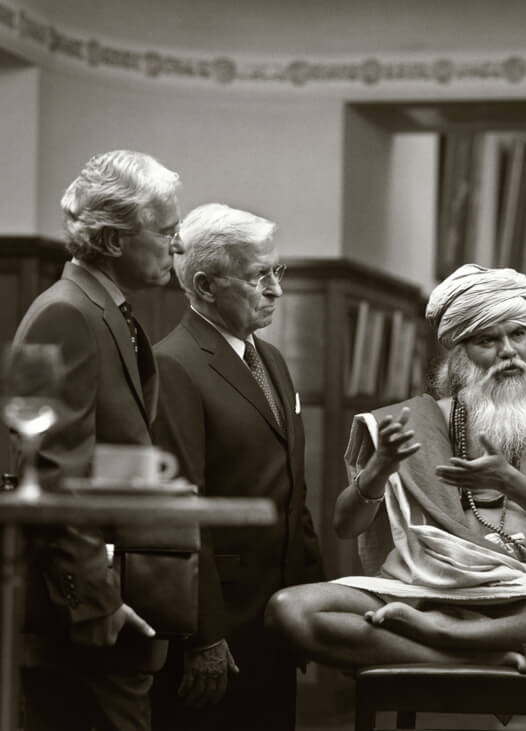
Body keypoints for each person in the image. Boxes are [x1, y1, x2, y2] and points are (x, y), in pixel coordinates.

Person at [265, 263, 526, 676]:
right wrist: (378, 470)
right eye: (487, 340)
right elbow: (345, 525)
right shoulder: (413, 421)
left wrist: (511, 482)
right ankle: (473, 655)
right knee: (291, 609)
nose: (509, 351)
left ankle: (452, 635)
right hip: (424, 590)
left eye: (518, 334)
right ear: (458, 355)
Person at [12, 150, 183, 730]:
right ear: (113, 240)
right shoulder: (66, 314)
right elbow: (51, 474)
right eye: (166, 232)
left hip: (115, 596)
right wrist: (94, 604)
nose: (178, 245)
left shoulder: (106, 311)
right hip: (81, 612)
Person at [149, 203, 324, 731]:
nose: (276, 290)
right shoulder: (172, 363)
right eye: (258, 276)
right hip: (219, 622)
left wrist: (314, 599)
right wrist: (204, 634)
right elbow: (180, 508)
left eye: (277, 271)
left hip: (279, 614)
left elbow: (292, 489)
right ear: (205, 286)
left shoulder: (271, 360)